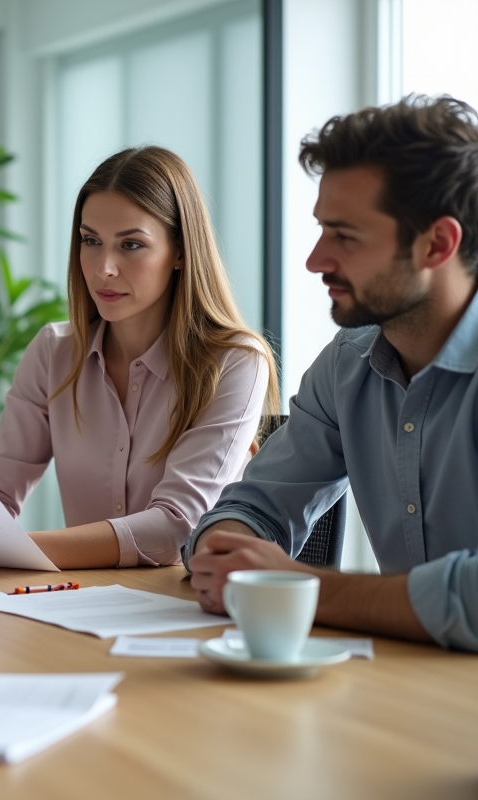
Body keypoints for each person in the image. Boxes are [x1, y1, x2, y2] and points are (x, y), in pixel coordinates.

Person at [0, 146, 279, 568]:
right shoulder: (54, 352)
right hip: (78, 605)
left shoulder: (234, 363)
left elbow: (176, 529)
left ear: (180, 252)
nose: (103, 268)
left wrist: (2, 546)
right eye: (90, 241)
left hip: (181, 610)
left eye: (131, 245)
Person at [186, 95, 478, 652]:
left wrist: (299, 587)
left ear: (437, 244)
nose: (315, 260)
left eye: (344, 236)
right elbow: (255, 505)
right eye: (321, 230)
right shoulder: (347, 364)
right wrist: (230, 548)